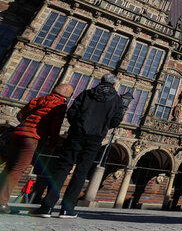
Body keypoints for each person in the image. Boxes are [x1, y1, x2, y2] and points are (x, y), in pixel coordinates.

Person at [31, 73, 124, 219]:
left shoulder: (87, 94)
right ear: (114, 85)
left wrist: (77, 126)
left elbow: (72, 112)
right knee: (81, 172)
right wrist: (102, 128)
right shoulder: (117, 100)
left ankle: (47, 207)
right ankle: (67, 210)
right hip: (95, 139)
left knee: (62, 168)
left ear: (100, 81)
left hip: (76, 135)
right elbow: (116, 120)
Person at [0, 84, 73, 214]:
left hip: (18, 133)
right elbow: (55, 126)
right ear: (68, 96)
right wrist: (52, 143)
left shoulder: (40, 99)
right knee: (18, 169)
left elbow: (20, 115)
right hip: (32, 137)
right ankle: (2, 202)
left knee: (9, 167)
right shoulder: (60, 106)